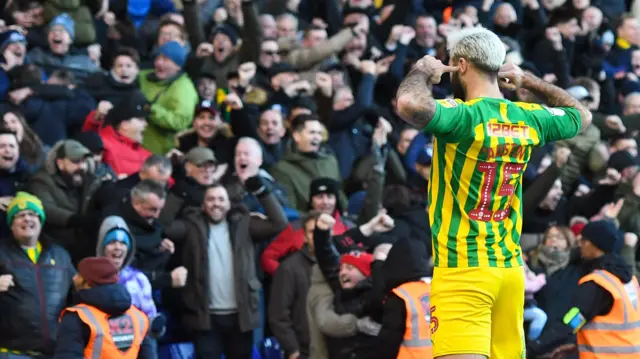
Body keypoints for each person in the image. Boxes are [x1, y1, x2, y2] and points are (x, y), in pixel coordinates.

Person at [395, 27, 592, 359]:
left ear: (460, 65)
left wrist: (422, 71)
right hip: (510, 272)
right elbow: (581, 115)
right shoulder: (527, 117)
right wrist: (528, 80)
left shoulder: (462, 116)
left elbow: (407, 102)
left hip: (464, 270)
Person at [527, 220, 640, 358]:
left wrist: (533, 347)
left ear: (594, 245)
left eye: (583, 241)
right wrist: (576, 346)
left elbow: (570, 322)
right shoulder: (627, 279)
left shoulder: (598, 283)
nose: (580, 245)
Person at [54, 257, 155, 359]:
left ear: (88, 283)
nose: (74, 278)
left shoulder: (77, 317)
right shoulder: (138, 317)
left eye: (79, 274)